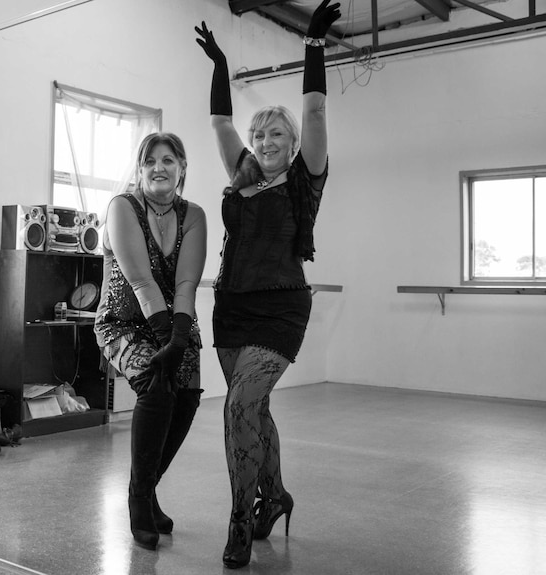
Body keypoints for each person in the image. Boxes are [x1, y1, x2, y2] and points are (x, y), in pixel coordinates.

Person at [195, 0, 340, 568]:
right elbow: (220, 122)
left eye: (277, 131)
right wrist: (220, 65)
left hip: (281, 309)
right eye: (261, 131)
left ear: (294, 140)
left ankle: (239, 515)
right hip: (230, 307)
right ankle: (276, 496)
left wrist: (313, 45)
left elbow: (317, 113)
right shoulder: (242, 176)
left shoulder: (305, 180)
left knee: (237, 408)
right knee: (252, 410)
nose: (265, 137)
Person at [94, 132, 207, 550]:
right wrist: (165, 342)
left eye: (168, 160)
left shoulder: (194, 214)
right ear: (139, 170)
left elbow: (187, 283)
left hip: (174, 322)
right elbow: (140, 279)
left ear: (181, 167)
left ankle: (148, 485)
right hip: (122, 322)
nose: (159, 168)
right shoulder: (122, 207)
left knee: (189, 394)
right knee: (158, 387)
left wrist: (178, 339)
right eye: (149, 162)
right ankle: (138, 498)